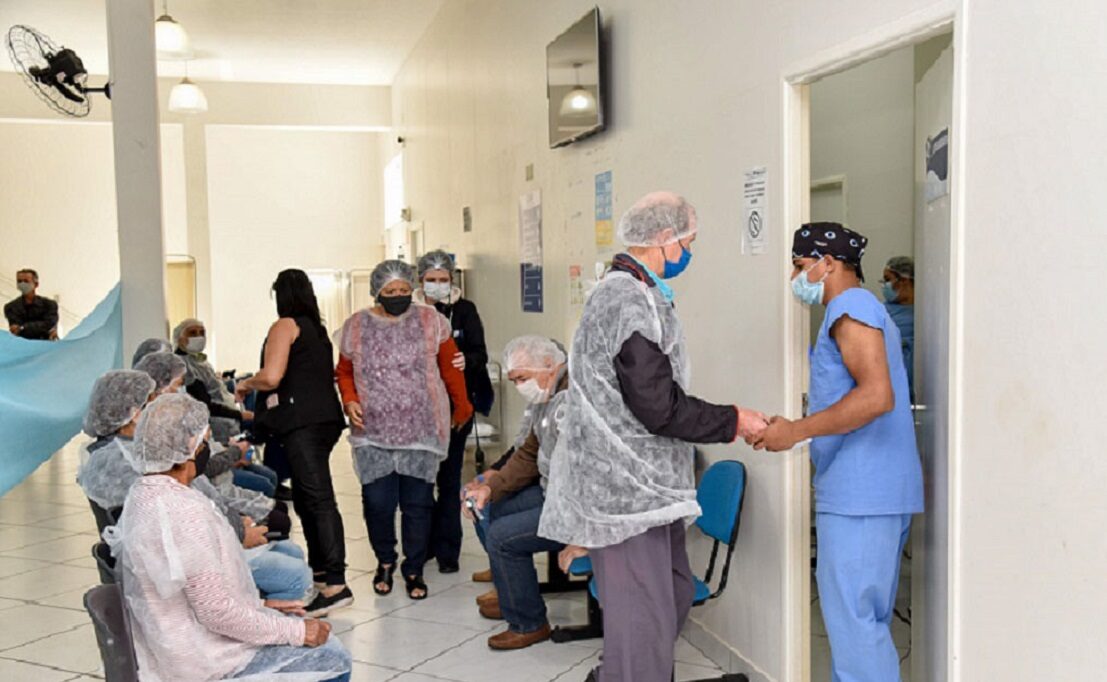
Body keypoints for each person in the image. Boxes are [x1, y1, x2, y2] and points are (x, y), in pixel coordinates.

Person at [538, 192, 769, 682]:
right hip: (625, 493)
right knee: (643, 621)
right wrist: (734, 420)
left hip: (648, 489)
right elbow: (657, 405)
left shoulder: (643, 294)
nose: (689, 252)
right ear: (664, 238)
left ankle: (621, 671)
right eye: (688, 242)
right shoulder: (623, 299)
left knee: (674, 593)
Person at [752, 222, 924, 682]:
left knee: (856, 628)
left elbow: (875, 397)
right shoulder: (861, 310)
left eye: (800, 266)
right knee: (864, 626)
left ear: (827, 263)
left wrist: (796, 431)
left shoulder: (850, 307)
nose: (795, 278)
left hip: (860, 496)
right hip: (872, 491)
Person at [105, 393, 351, 681]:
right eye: (205, 441)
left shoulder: (143, 494)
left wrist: (259, 608)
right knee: (334, 658)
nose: (207, 450)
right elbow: (216, 612)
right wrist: (296, 631)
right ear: (188, 447)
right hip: (201, 658)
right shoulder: (183, 511)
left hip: (172, 640)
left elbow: (194, 592)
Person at [78, 370, 311, 604]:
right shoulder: (126, 462)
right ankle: (270, 617)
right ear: (132, 413)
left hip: (199, 545)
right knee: (294, 574)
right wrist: (238, 535)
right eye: (151, 401)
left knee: (290, 551)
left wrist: (234, 525)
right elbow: (177, 530)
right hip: (184, 565)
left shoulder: (135, 451)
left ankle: (270, 613)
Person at [336, 260, 473, 600]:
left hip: (421, 429)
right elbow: (345, 371)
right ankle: (385, 560)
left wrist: (462, 407)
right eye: (390, 290)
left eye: (403, 290)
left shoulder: (430, 321)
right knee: (378, 502)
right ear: (377, 291)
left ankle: (414, 568)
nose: (398, 296)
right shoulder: (357, 326)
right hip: (373, 430)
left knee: (418, 504)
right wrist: (349, 400)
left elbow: (450, 367)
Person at [235, 269, 352, 617]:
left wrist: (246, 384)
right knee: (307, 496)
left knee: (318, 499)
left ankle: (335, 585)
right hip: (325, 420)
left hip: (302, 424)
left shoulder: (285, 325)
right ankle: (322, 576)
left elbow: (272, 377)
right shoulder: (317, 329)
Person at [460, 335, 568, 650]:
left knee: (502, 537)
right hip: (552, 492)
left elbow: (586, 473)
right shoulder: (548, 397)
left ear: (549, 364)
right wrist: (489, 488)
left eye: (522, 378)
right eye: (514, 380)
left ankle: (529, 623)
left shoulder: (574, 400)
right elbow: (528, 454)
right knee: (489, 509)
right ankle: (512, 593)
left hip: (575, 505)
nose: (520, 387)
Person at [414, 249, 493, 574]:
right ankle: (423, 545)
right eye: (431, 279)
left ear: (452, 279)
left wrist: (465, 360)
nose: (437, 284)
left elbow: (480, 353)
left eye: (443, 279)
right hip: (418, 412)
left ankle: (448, 551)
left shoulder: (464, 311)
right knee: (420, 482)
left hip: (456, 410)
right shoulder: (409, 313)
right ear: (420, 280)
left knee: (448, 480)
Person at [173, 318, 253, 443]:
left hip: (227, 410)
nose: (198, 337)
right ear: (179, 338)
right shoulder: (183, 366)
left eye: (202, 333)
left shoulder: (198, 360)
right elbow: (206, 405)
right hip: (219, 421)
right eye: (192, 333)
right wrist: (241, 415)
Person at [881, 255, 915, 396]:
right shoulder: (881, 312)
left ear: (904, 280)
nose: (884, 285)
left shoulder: (925, 314)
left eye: (888, 279)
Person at [5, 268, 58, 340]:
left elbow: (49, 324)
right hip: (22, 344)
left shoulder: (49, 305)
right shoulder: (11, 307)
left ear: (36, 284)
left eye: (26, 281)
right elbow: (15, 330)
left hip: (45, 343)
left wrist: (23, 327)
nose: (22, 284)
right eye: (19, 281)